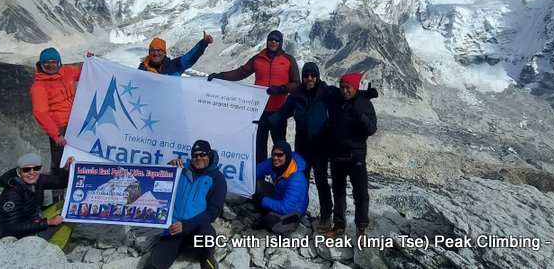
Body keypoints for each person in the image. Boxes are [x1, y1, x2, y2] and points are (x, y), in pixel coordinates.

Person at [268, 63, 379, 233]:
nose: (309, 79)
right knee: (300, 180)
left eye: (313, 75)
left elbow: (347, 92)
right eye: (306, 75)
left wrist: (365, 94)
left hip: (320, 145)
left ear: (318, 76)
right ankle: (297, 212)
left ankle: (326, 216)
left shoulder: (327, 92)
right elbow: (282, 114)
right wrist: (269, 125)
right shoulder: (296, 95)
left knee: (321, 181)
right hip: (302, 145)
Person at [208, 30, 300, 164]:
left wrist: (282, 89)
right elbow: (241, 72)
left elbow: (296, 83)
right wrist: (220, 76)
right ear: (267, 41)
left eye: (276, 40)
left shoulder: (288, 60)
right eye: (271, 39)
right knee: (259, 145)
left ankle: (283, 178)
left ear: (281, 43)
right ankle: (259, 179)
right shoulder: (258, 58)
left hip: (279, 111)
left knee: (280, 146)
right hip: (259, 110)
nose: (273, 42)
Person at [143, 140, 226, 269]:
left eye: (202, 154)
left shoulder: (217, 178)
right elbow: (157, 187)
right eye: (195, 155)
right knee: (153, 266)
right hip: (173, 230)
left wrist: (186, 225)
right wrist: (168, 169)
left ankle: (206, 257)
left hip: (196, 229)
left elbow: (213, 211)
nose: (198, 158)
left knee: (207, 235)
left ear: (209, 155)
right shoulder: (180, 170)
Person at [324, 72, 377, 239]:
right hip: (337, 156)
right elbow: (325, 89)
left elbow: (371, 129)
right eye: (342, 87)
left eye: (348, 87)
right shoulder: (336, 101)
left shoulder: (364, 104)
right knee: (338, 192)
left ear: (355, 88)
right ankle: (339, 226)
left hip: (356, 156)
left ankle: (361, 228)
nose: (344, 91)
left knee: (360, 193)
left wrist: (360, 116)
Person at [30, 47, 92, 181]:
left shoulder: (67, 72)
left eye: (54, 62)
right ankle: (58, 196)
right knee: (60, 162)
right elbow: (40, 113)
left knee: (80, 156)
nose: (50, 65)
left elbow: (86, 73)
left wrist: (91, 61)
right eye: (46, 62)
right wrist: (56, 135)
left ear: (59, 63)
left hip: (76, 123)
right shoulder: (39, 86)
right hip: (59, 129)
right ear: (41, 64)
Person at [0, 153, 75, 248]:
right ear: (19, 171)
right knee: (66, 219)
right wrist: (48, 222)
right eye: (26, 170)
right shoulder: (11, 193)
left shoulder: (38, 179)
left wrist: (66, 170)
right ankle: (49, 252)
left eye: (36, 168)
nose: (32, 173)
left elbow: (61, 182)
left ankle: (55, 251)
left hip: (36, 219)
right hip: (21, 237)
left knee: (71, 209)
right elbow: (11, 228)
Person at [249, 141, 308, 234]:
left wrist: (262, 200)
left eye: (280, 155)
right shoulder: (272, 162)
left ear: (287, 156)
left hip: (293, 211)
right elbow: (254, 172)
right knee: (255, 185)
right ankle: (269, 213)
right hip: (279, 196)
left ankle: (291, 223)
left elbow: (286, 207)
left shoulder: (297, 179)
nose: (276, 158)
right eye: (274, 154)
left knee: (272, 222)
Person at [139, 32, 213, 75]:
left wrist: (204, 43)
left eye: (159, 50)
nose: (155, 53)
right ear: (149, 53)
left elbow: (191, 57)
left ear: (164, 53)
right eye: (152, 50)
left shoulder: (175, 66)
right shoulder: (142, 69)